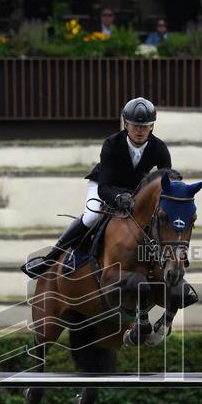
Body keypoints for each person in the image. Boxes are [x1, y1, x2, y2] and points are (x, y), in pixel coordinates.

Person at [22, 97, 172, 279]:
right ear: (126, 124)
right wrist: (118, 198)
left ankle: (173, 266)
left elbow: (167, 186)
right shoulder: (112, 143)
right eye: (135, 125)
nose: (139, 130)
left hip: (134, 193)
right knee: (92, 216)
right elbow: (104, 188)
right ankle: (50, 258)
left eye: (144, 126)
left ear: (151, 127)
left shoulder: (160, 148)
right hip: (105, 187)